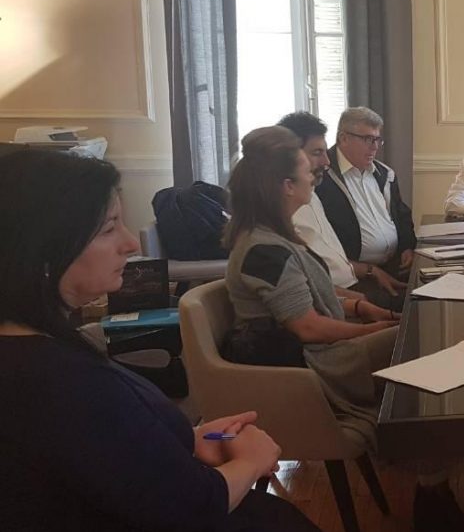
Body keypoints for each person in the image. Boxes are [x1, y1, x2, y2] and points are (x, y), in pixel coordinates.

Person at [0, 150, 319, 531]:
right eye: (109, 228)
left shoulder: (36, 345)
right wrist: (251, 460)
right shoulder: (60, 383)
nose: (131, 244)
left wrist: (186, 438)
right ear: (43, 251)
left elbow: (92, 453)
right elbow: (192, 509)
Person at [223, 126, 398, 452]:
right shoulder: (264, 250)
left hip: (319, 354)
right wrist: (369, 331)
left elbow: (307, 303)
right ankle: (421, 458)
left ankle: (419, 454)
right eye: (306, 172)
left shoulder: (272, 237)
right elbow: (307, 327)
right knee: (412, 343)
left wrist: (361, 308)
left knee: (411, 332)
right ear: (287, 186)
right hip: (313, 366)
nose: (313, 177)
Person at [278, 111, 396, 309]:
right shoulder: (281, 212)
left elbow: (333, 262)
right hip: (337, 300)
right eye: (317, 153)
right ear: (290, 156)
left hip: (353, 285)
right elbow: (306, 292)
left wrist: (370, 270)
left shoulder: (311, 194)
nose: (327, 161)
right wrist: (357, 303)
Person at [316, 106, 417, 296]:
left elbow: (401, 214)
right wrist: (367, 270)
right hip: (354, 276)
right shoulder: (321, 178)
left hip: (395, 265)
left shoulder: (384, 174)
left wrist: (407, 247)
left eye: (377, 140)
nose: (375, 147)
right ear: (343, 138)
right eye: (368, 139)